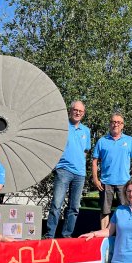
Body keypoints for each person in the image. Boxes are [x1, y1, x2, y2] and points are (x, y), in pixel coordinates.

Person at [44, 100, 91, 239]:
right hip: (63, 170)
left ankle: (66, 235)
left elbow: (85, 151)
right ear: (70, 110)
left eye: (80, 111)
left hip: (80, 174)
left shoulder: (86, 131)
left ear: (83, 114)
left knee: (74, 207)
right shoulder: (62, 127)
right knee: (56, 204)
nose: (77, 112)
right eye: (75, 110)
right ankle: (49, 235)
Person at [92, 112, 132, 230]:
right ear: (110, 124)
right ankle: (103, 237)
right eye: (113, 122)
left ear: (123, 125)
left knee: (125, 210)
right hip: (105, 182)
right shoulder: (102, 141)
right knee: (105, 211)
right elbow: (94, 161)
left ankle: (123, 234)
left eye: (119, 122)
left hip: (124, 183)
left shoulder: (129, 140)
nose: (116, 124)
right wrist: (95, 179)